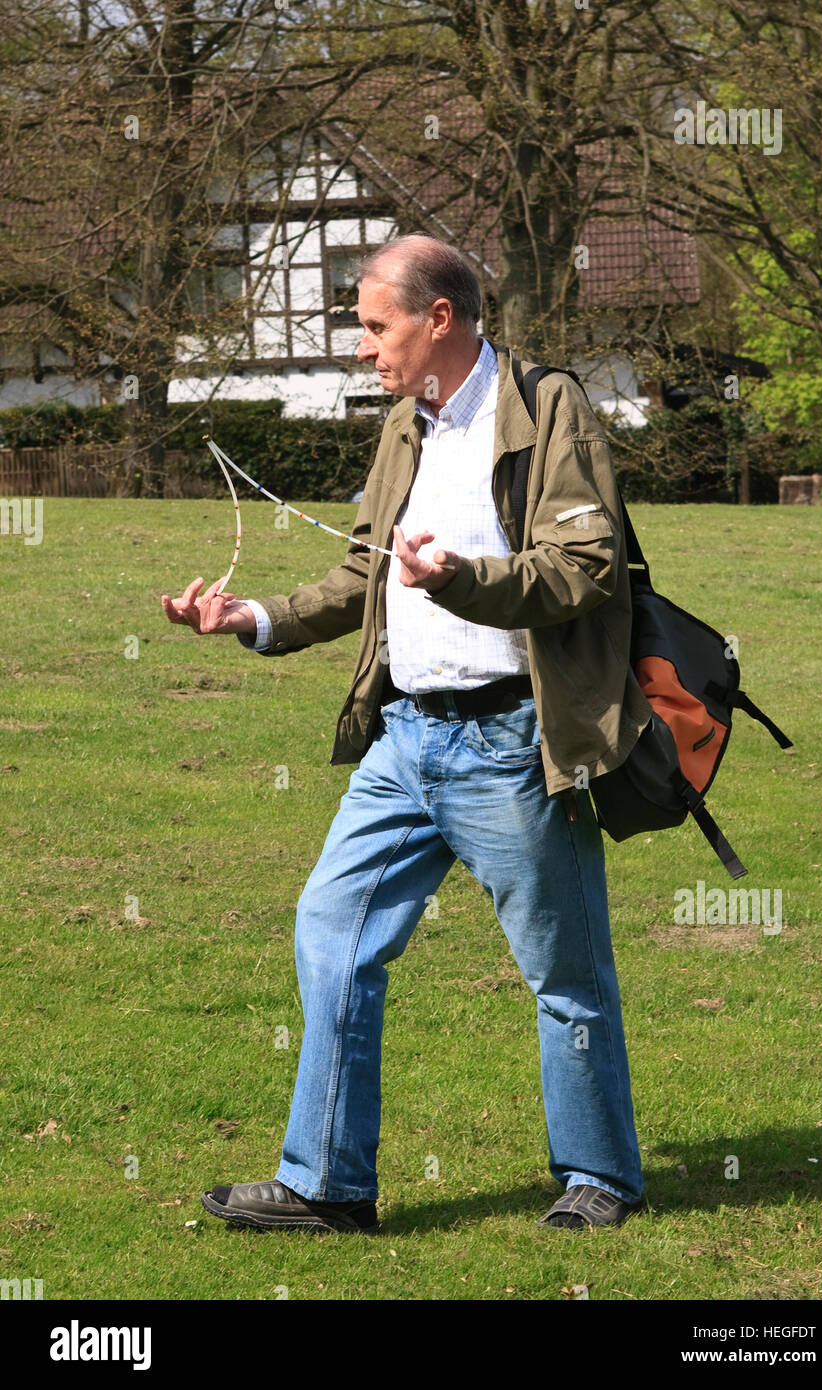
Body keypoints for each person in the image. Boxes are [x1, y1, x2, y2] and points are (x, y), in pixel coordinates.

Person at [161, 233, 652, 1235]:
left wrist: (461, 579)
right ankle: (328, 1188)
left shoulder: (548, 407)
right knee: (330, 935)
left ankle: (599, 1174)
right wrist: (250, 619)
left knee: (563, 976)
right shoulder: (403, 426)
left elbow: (583, 567)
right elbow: (357, 577)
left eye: (374, 325)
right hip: (400, 746)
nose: (360, 345)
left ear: (438, 320)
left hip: (512, 741)